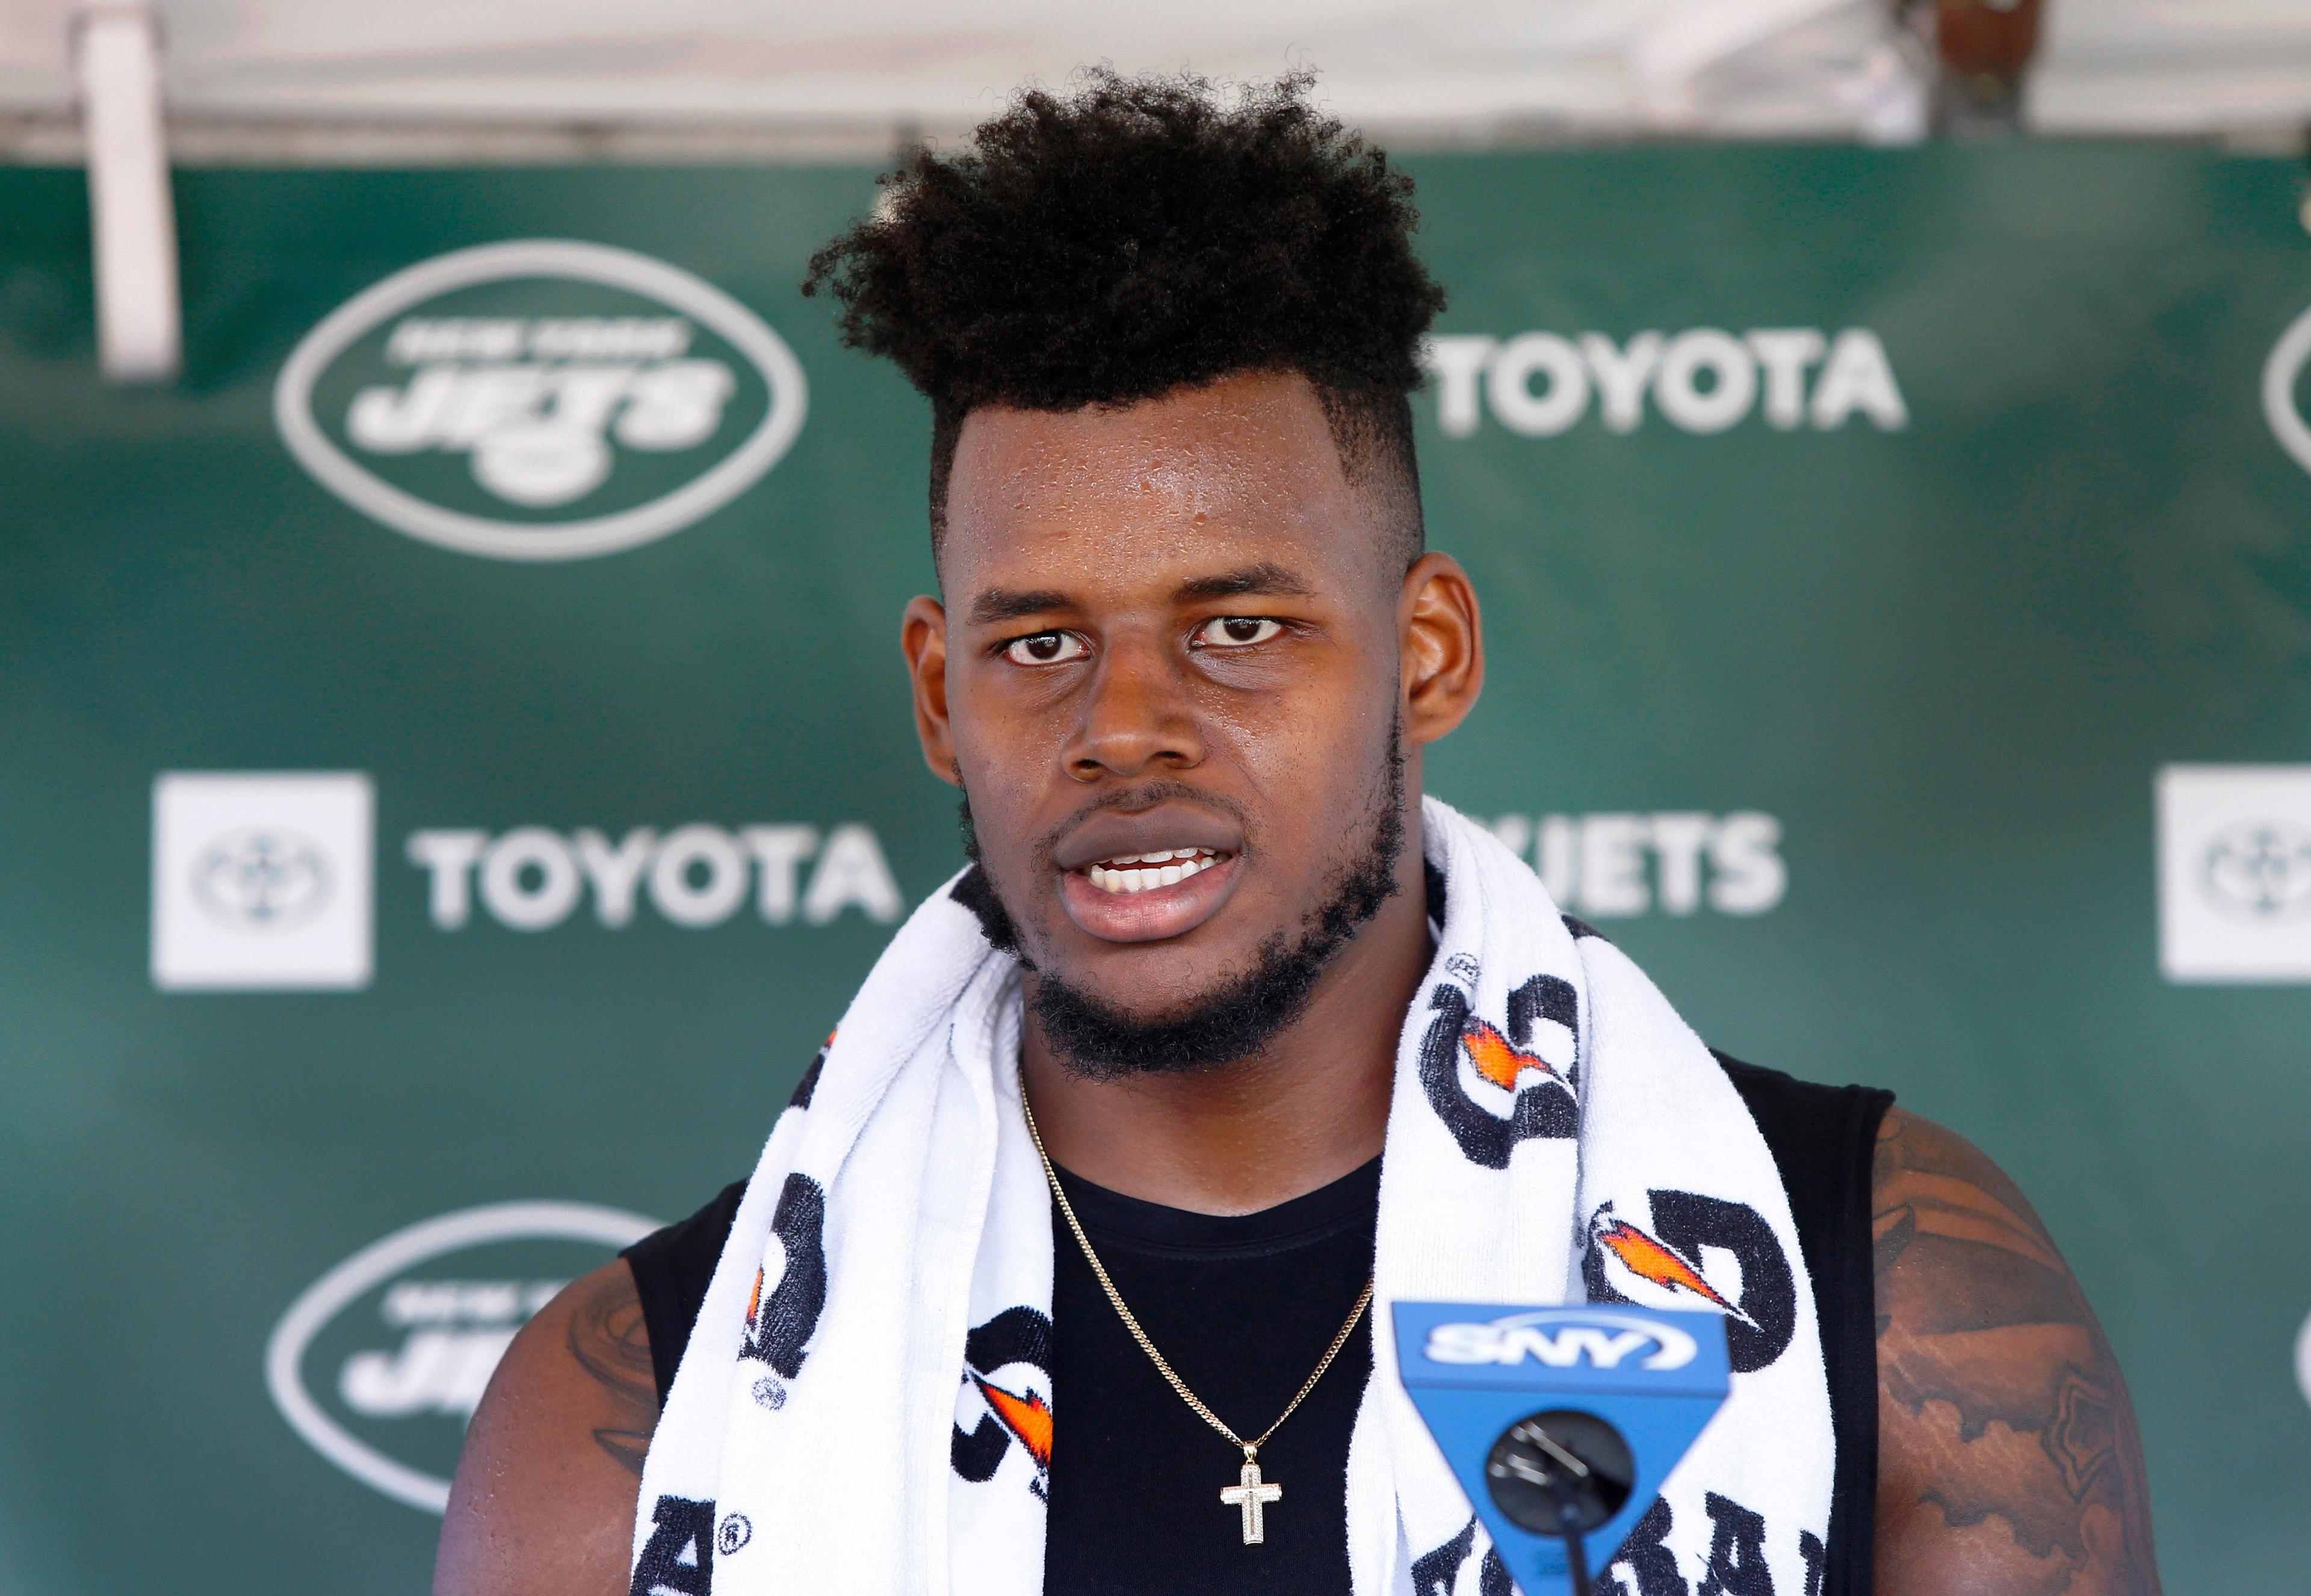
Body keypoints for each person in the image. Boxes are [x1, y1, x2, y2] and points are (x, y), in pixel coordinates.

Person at [435, 71, 2160, 1596]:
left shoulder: (1889, 1289)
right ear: (940, 693)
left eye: (1238, 627)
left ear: (1430, 653)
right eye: (1038, 642)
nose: (1123, 726)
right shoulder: (639, 1409)